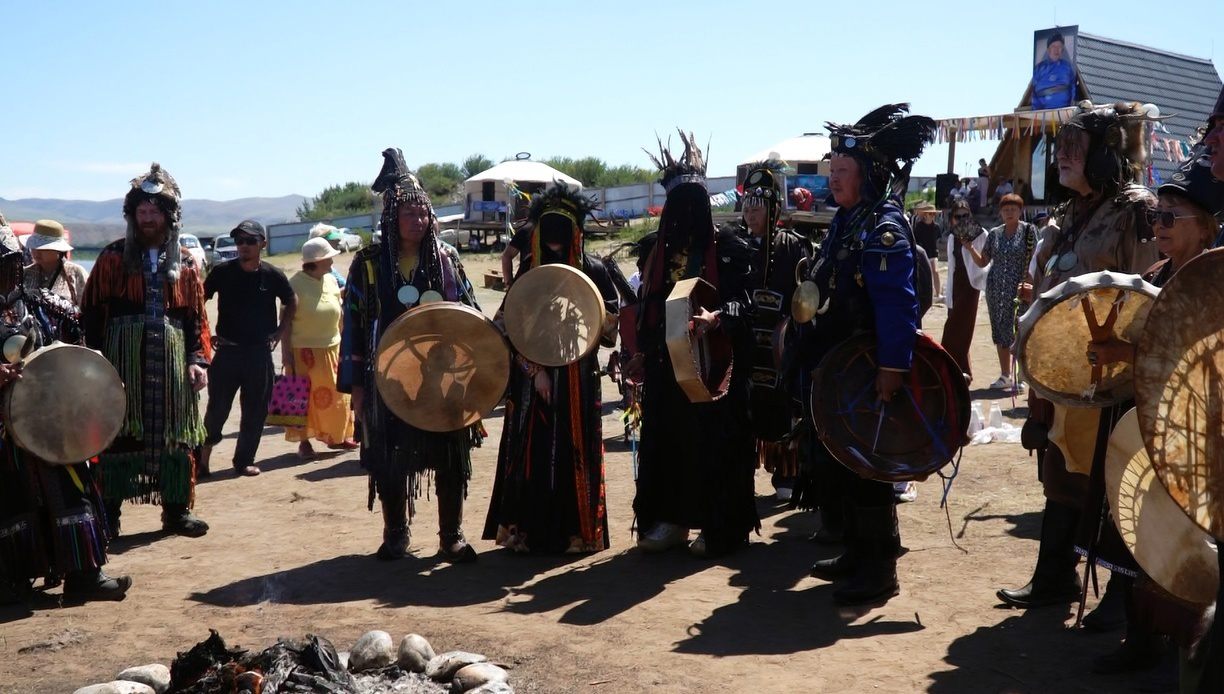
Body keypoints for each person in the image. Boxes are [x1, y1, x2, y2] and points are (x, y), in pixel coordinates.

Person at [997, 102, 1159, 614]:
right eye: (1061, 149)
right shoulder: (1067, 213)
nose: (1062, 158)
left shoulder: (1136, 212)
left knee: (1116, 485)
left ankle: (1120, 598)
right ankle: (1054, 578)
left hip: (1114, 379)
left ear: (1104, 155)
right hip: (1066, 376)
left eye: (1074, 149)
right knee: (1062, 475)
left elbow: (1148, 300)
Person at [799, 103, 936, 605]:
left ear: (868, 174)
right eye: (831, 170)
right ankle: (857, 553)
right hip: (841, 367)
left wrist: (892, 368)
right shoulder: (848, 221)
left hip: (868, 368)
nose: (833, 179)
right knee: (844, 464)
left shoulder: (883, 227)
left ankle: (879, 569)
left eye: (842, 170)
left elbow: (898, 304)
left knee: (867, 466)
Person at [339, 148, 482, 563]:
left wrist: (479, 371)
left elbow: (469, 313)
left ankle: (451, 536)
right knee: (390, 456)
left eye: (423, 213)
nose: (418, 221)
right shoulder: (368, 265)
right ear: (391, 217)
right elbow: (354, 328)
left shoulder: (447, 259)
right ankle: (396, 534)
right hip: (388, 381)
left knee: (451, 455)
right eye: (409, 214)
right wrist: (357, 388)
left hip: (445, 378)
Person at [626, 131, 758, 558]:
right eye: (678, 206)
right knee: (670, 443)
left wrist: (717, 318)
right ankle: (673, 520)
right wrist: (639, 354)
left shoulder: (731, 247)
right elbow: (646, 307)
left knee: (714, 445)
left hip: (716, 366)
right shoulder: (654, 252)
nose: (686, 214)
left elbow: (748, 301)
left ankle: (719, 526)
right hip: (667, 369)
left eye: (693, 205)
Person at [0, 220, 131, 604]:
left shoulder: (38, 304)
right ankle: (13, 584)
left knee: (73, 492)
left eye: (7, 263)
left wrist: (97, 380)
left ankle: (84, 575)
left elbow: (75, 349)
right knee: (12, 503)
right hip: (5, 437)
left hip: (50, 425)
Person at [482, 184, 618, 554]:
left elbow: (609, 330)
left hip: (578, 378)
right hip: (532, 380)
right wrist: (534, 370)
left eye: (563, 229)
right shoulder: (529, 270)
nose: (555, 238)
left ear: (576, 231)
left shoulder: (594, 270)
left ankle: (579, 532)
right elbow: (506, 328)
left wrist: (597, 319)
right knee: (533, 451)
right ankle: (525, 531)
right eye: (549, 229)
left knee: (575, 449)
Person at [82, 162, 212, 538]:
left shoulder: (185, 263)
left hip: (172, 369)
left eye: (155, 211)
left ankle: (176, 512)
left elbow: (196, 318)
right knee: (116, 437)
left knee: (175, 437)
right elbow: (91, 313)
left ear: (169, 216)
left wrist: (197, 360)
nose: (148, 218)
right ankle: (108, 517)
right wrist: (96, 363)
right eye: (142, 211)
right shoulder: (112, 258)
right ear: (132, 215)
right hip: (122, 367)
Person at [199, 220, 295, 478]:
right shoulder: (222, 272)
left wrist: (280, 332)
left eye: (250, 241)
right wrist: (205, 334)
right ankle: (201, 460)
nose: (244, 245)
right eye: (239, 241)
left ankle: (244, 461)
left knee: (255, 411)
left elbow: (291, 300)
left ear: (263, 244)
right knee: (217, 410)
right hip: (227, 352)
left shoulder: (272, 275)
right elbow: (198, 301)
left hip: (259, 354)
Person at [740, 160, 810, 502]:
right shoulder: (735, 244)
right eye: (747, 208)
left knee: (784, 405)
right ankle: (744, 469)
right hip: (746, 343)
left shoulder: (794, 246)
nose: (751, 215)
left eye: (757, 208)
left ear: (773, 210)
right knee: (745, 406)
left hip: (782, 344)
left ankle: (786, 472)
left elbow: (805, 297)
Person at [285, 237, 356, 459]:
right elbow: (285, 322)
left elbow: (339, 312)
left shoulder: (331, 280)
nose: (332, 261)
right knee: (300, 398)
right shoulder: (294, 285)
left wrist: (346, 342)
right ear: (317, 261)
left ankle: (338, 435)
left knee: (338, 394)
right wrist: (286, 354)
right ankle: (303, 443)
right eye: (328, 258)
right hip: (303, 350)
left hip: (333, 346)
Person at [961, 193, 1039, 390]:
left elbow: (1035, 260)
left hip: (1020, 289)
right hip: (996, 289)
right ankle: (1005, 375)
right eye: (1005, 210)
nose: (1009, 213)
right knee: (1000, 331)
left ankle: (1022, 375)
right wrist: (970, 248)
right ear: (1000, 212)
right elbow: (983, 262)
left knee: (1020, 331)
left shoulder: (1029, 231)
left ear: (1020, 211)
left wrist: (1029, 283)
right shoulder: (995, 234)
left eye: (1013, 209)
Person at [940, 199, 988, 381]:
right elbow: (951, 266)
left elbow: (985, 262)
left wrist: (970, 247)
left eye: (965, 216)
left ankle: (949, 370)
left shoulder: (981, 234)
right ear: (951, 219)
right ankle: (962, 370)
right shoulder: (952, 237)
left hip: (971, 285)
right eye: (957, 216)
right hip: (956, 283)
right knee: (956, 326)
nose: (961, 220)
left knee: (958, 329)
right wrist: (948, 295)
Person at [23, 220, 88, 304]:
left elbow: (89, 304)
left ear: (58, 250)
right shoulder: (25, 273)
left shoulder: (76, 273)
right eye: (34, 247)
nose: (36, 252)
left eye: (43, 248)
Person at [1032, 32, 1077, 110]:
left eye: (1060, 46)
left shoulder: (1067, 66)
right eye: (1054, 46)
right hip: (1044, 112)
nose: (1057, 49)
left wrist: (1072, 102)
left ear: (1062, 50)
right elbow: (1034, 92)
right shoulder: (1039, 68)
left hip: (1065, 111)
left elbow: (1073, 85)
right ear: (1048, 49)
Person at [911, 201, 942, 298]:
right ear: (925, 215)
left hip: (933, 252)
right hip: (923, 254)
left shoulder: (936, 227)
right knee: (926, 275)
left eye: (933, 214)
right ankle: (928, 295)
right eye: (930, 214)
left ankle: (938, 294)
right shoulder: (918, 227)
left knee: (936, 271)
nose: (932, 216)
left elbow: (938, 239)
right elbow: (915, 240)